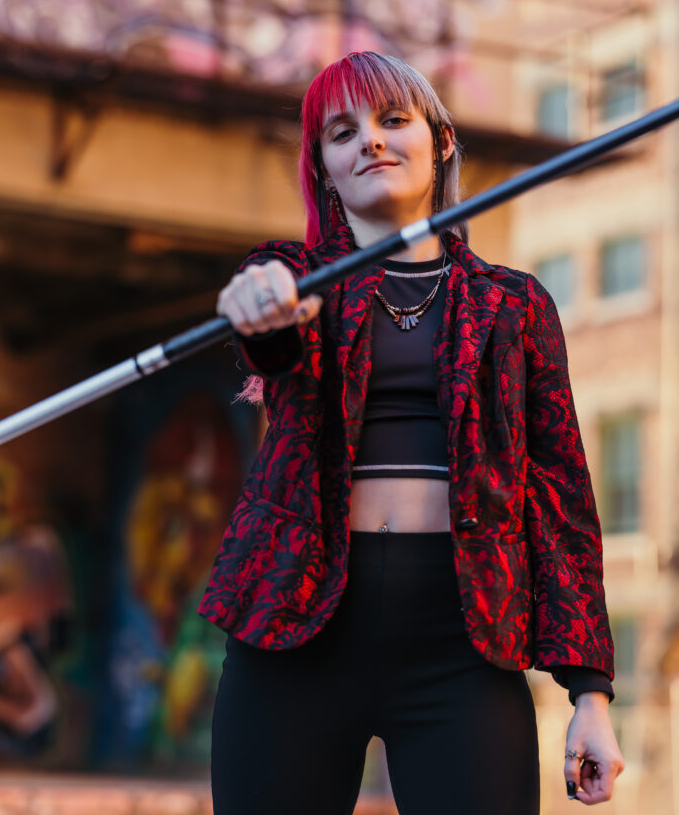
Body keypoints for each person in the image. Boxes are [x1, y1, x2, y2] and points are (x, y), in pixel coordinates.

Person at [197, 51, 625, 814]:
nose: (369, 141)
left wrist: (588, 693)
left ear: (441, 141)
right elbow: (271, 337)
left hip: (463, 640)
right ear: (323, 168)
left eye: (392, 120)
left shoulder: (513, 305)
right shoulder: (293, 279)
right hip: (295, 630)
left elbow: (560, 499)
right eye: (342, 132)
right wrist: (259, 306)